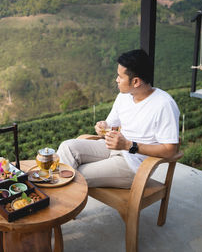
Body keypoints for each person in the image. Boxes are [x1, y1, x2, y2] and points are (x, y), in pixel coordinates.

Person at [57, 49, 180, 188]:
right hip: (112, 148)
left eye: (120, 77)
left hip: (133, 164)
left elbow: (170, 150)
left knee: (74, 175)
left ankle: (59, 204)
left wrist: (128, 145)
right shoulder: (124, 96)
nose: (116, 80)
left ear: (136, 81)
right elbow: (110, 124)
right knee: (67, 147)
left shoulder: (164, 105)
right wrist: (102, 126)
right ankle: (57, 198)